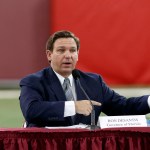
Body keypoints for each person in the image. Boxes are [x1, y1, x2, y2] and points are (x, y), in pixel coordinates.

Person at [19, 30, 150, 127]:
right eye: (61, 50)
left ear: (78, 55)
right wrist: (73, 107)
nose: (68, 55)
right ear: (49, 55)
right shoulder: (33, 81)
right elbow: (31, 110)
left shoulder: (93, 82)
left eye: (72, 50)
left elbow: (123, 108)